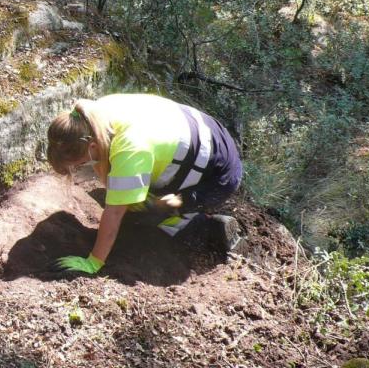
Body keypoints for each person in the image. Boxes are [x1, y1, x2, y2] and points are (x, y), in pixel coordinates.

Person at [46, 93, 243, 274]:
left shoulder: (130, 148)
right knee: (134, 207)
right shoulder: (91, 118)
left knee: (156, 223)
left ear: (92, 146)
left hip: (217, 174)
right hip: (205, 133)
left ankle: (203, 227)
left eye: (82, 163)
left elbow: (114, 212)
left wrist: (94, 262)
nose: (83, 167)